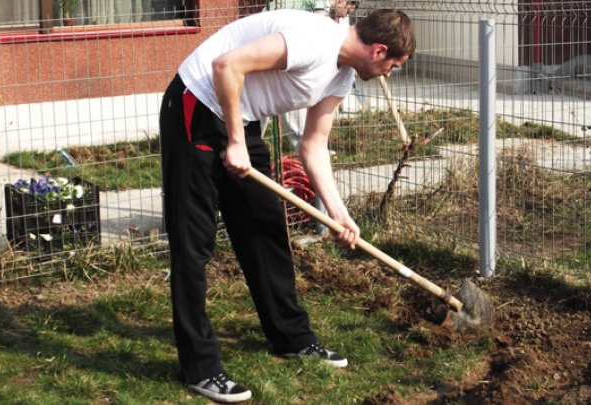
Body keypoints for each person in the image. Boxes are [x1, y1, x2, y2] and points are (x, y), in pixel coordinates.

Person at [159, 8, 415, 404]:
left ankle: (292, 338)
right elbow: (226, 65)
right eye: (392, 65)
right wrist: (236, 141)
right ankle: (200, 367)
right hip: (198, 103)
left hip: (239, 118)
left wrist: (337, 212)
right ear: (378, 51)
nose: (388, 74)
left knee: (264, 227)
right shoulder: (313, 40)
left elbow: (313, 144)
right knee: (193, 243)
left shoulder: (342, 73)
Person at [264, 0, 359, 237]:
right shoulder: (319, 6)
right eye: (349, 7)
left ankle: (325, 219)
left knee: (252, 139)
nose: (346, 14)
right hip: (289, 69)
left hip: (276, 64)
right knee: (299, 137)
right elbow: (320, 32)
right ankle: (323, 222)